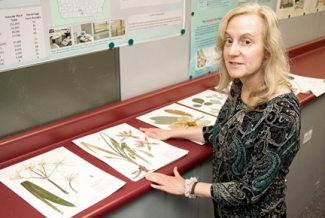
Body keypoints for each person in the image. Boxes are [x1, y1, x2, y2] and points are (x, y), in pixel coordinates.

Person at [140, 2, 301, 218]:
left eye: (246, 41)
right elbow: (224, 131)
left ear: (267, 50)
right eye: (228, 41)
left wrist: (187, 187)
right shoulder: (240, 85)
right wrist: (174, 132)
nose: (232, 51)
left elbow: (249, 190)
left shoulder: (283, 112)